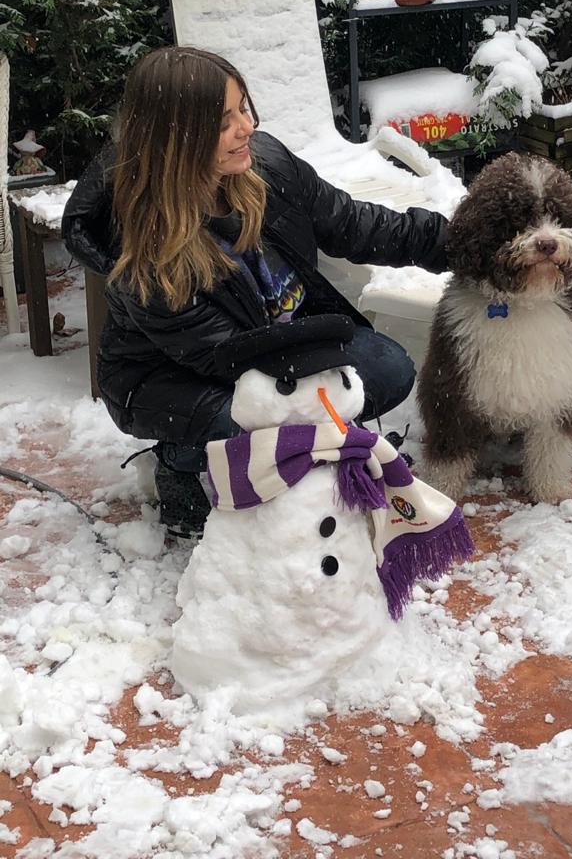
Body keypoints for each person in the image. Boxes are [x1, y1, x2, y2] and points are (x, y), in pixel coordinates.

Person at [62, 46, 449, 538]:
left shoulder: (265, 165)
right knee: (260, 423)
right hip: (176, 378)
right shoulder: (145, 248)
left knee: (388, 369)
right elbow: (224, 358)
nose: (246, 127)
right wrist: (333, 423)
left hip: (280, 342)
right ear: (175, 140)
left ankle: (293, 457)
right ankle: (181, 462)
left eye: (243, 107)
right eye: (224, 122)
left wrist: (459, 242)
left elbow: (352, 224)